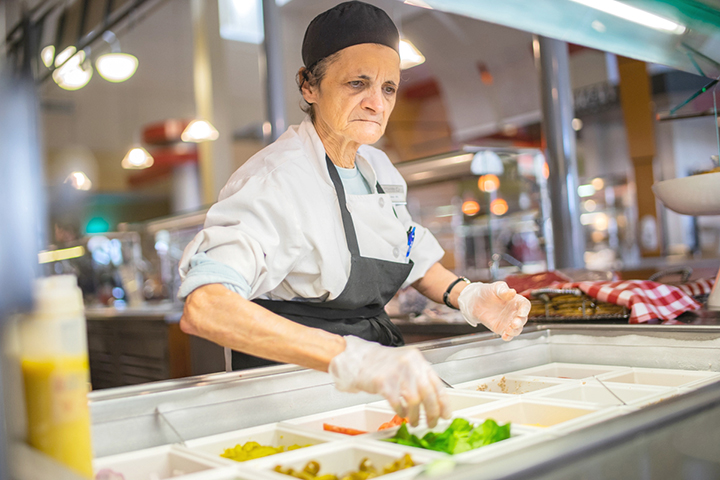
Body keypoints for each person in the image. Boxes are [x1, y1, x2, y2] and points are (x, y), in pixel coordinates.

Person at [178, 1, 531, 428]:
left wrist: (469, 296)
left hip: (371, 384)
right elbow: (207, 306)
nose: (376, 103)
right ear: (309, 86)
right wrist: (350, 357)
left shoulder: (377, 168)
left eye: (388, 88)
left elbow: (409, 248)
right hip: (290, 390)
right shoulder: (275, 179)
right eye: (357, 83)